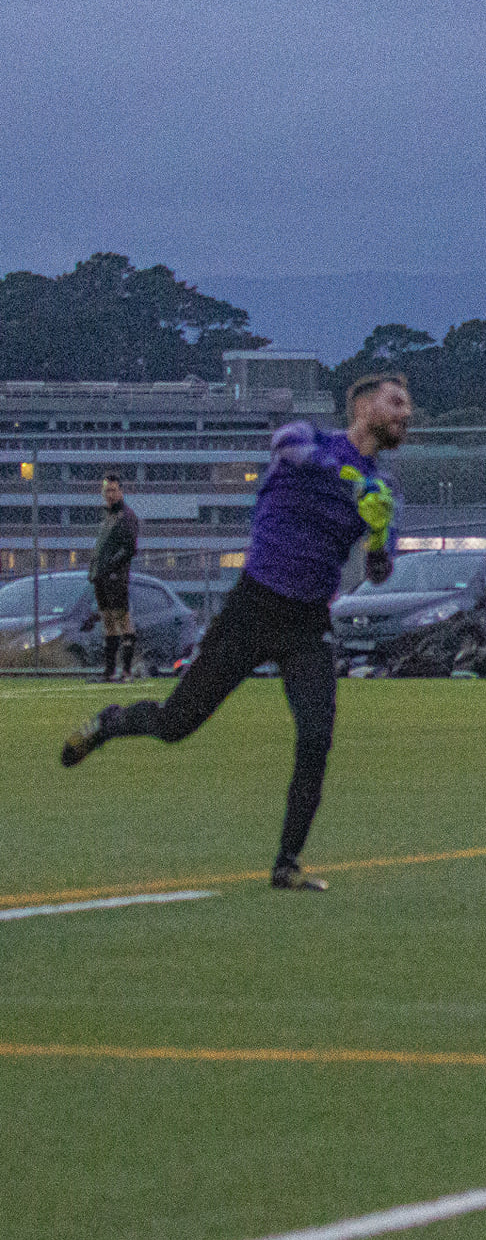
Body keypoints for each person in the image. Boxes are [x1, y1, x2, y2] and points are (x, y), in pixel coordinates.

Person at [60, 373, 413, 892]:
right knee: (177, 723)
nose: (406, 413)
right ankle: (111, 722)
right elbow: (285, 445)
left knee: (316, 736)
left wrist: (379, 534)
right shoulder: (312, 439)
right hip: (253, 607)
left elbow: (380, 572)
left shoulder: (383, 487)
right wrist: (347, 478)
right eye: (396, 402)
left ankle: (287, 863)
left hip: (307, 623)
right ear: (362, 406)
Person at [89, 474, 142, 682]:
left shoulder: (127, 516)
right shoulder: (107, 516)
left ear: (121, 491)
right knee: (108, 620)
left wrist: (111, 567)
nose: (109, 494)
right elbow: (101, 547)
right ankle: (109, 670)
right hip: (101, 576)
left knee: (122, 618)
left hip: (116, 577)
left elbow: (129, 548)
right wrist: (94, 570)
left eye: (113, 490)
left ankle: (126, 671)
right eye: (106, 490)